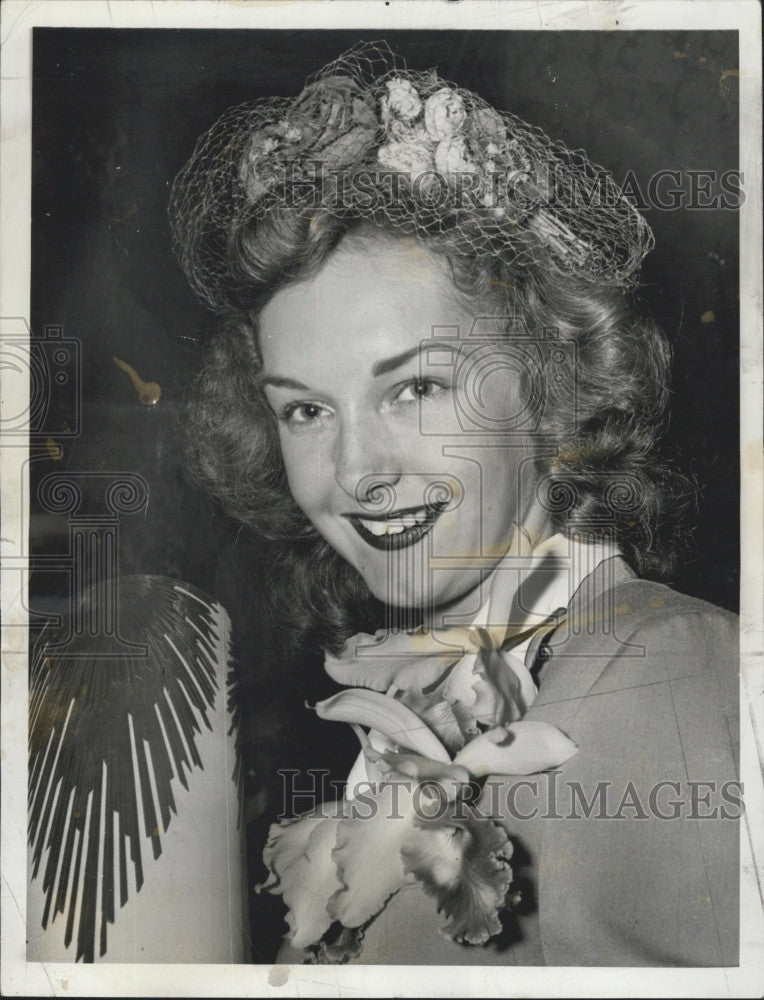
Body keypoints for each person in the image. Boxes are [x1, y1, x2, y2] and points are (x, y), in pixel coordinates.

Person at [169, 42, 739, 967]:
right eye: (307, 410)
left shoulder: (657, 680)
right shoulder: (440, 683)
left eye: (418, 389)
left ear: (552, 382)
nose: (356, 473)